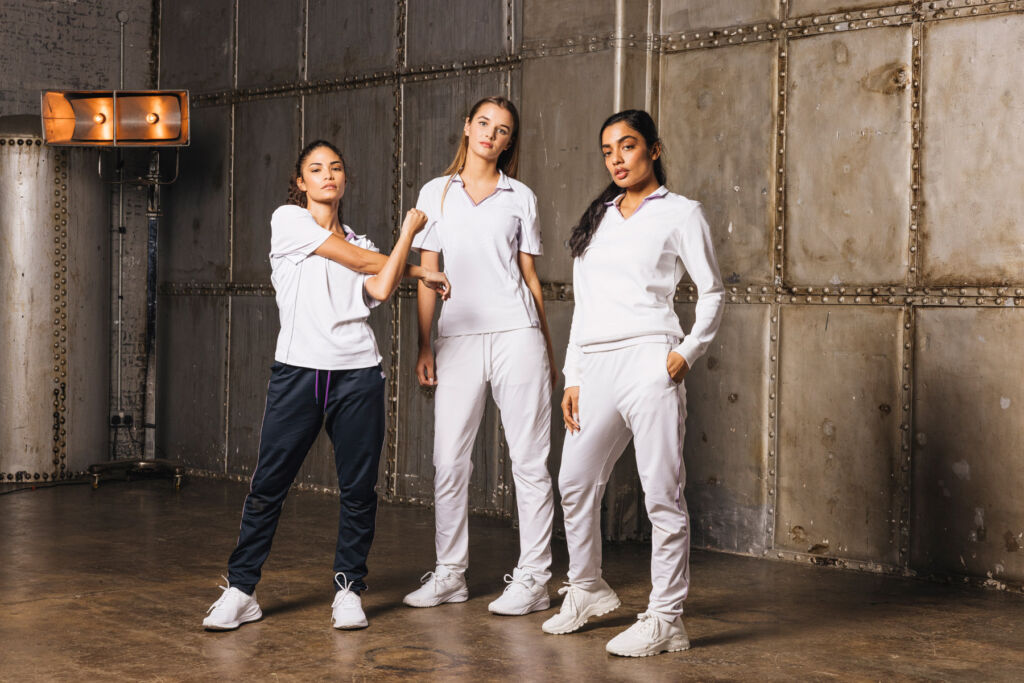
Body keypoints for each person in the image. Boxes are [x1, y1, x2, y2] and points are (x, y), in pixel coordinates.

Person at [202, 140, 450, 631]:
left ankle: (349, 590)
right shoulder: (289, 222)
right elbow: (360, 264)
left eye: (335, 167)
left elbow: (379, 286)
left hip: (358, 375)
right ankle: (241, 589)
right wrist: (416, 254)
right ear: (301, 182)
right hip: (298, 373)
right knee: (268, 486)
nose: (327, 175)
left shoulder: (365, 242)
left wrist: (399, 254)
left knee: (359, 490)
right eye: (316, 169)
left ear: (344, 178)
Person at [541, 110, 724, 657]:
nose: (617, 159)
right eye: (607, 151)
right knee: (573, 480)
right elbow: (585, 305)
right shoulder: (597, 217)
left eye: (628, 146)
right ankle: (590, 588)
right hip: (595, 364)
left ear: (655, 150)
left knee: (662, 492)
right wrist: (574, 375)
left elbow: (713, 291)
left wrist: (685, 353)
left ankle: (667, 618)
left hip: (650, 359)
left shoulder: (681, 213)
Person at [402, 96, 557, 616]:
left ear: (510, 141)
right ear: (467, 127)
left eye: (503, 129)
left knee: (529, 461)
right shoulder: (434, 192)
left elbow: (530, 277)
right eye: (484, 123)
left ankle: (535, 578)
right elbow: (427, 272)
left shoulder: (521, 197)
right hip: (458, 337)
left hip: (518, 333)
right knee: (448, 459)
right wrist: (426, 343)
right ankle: (450, 575)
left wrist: (549, 348)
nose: (491, 134)